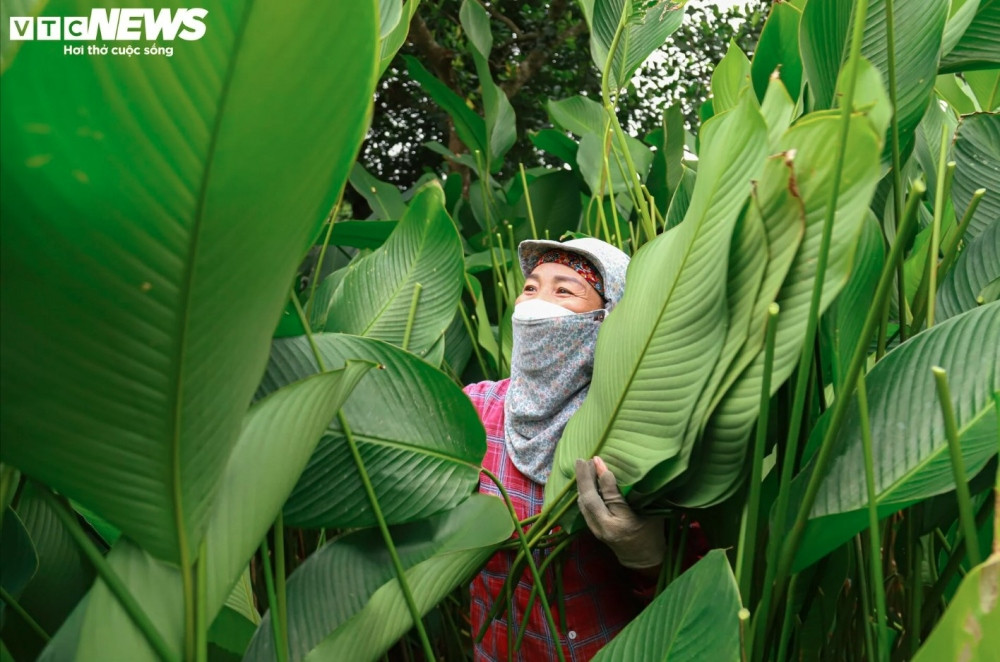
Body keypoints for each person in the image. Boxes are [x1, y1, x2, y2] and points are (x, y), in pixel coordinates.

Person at [464, 237, 679, 661]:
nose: (536, 305)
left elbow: (695, 598)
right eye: (530, 288)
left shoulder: (641, 429)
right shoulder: (474, 409)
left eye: (564, 290)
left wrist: (647, 555)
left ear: (609, 317)